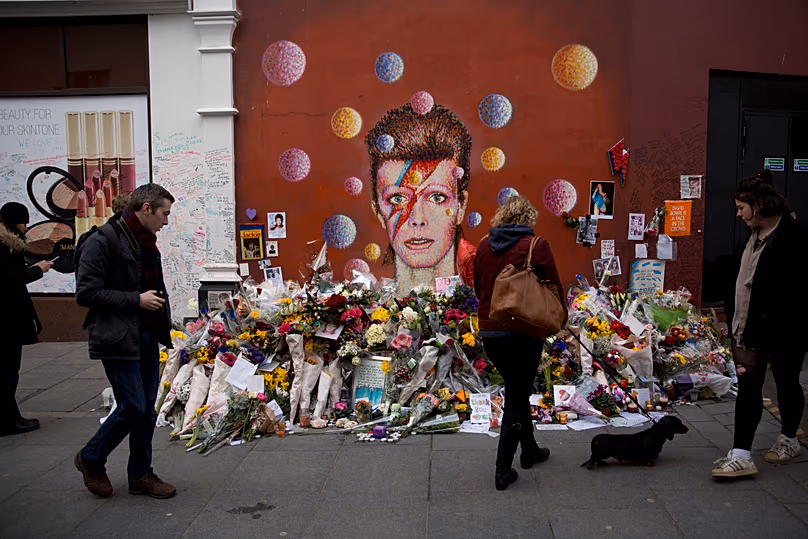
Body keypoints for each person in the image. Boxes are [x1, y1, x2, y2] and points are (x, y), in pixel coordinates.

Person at [74, 184, 176, 498]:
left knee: (147, 410)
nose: (166, 221)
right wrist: (136, 300)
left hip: (145, 334)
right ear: (146, 208)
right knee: (131, 405)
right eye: (164, 213)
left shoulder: (146, 241)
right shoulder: (102, 241)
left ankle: (141, 474)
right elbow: (86, 294)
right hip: (116, 337)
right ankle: (91, 457)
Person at [712, 170, 806, 479]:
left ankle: (789, 438)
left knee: (786, 382)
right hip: (747, 328)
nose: (738, 214)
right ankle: (740, 454)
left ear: (761, 204)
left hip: (785, 331)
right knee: (748, 386)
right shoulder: (751, 239)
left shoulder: (794, 239)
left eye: (742, 207)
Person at [473, 196, 566, 490]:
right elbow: (554, 287)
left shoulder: (484, 246)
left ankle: (531, 449)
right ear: (528, 218)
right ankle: (503, 469)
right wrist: (560, 317)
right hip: (524, 331)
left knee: (517, 388)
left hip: (490, 331)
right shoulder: (536, 245)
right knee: (516, 395)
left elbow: (478, 286)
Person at [366, 103, 476, 294]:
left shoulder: (487, 307)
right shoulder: (363, 309)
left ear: (461, 206)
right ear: (378, 211)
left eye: (437, 197)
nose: (417, 219)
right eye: (397, 199)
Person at [0, 202, 53, 436]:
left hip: (7, 318)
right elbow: (12, 278)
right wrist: (38, 269)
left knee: (7, 370)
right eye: (24, 221)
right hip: (7, 320)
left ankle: (10, 417)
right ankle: (8, 421)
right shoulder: (6, 245)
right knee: (8, 370)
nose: (26, 225)